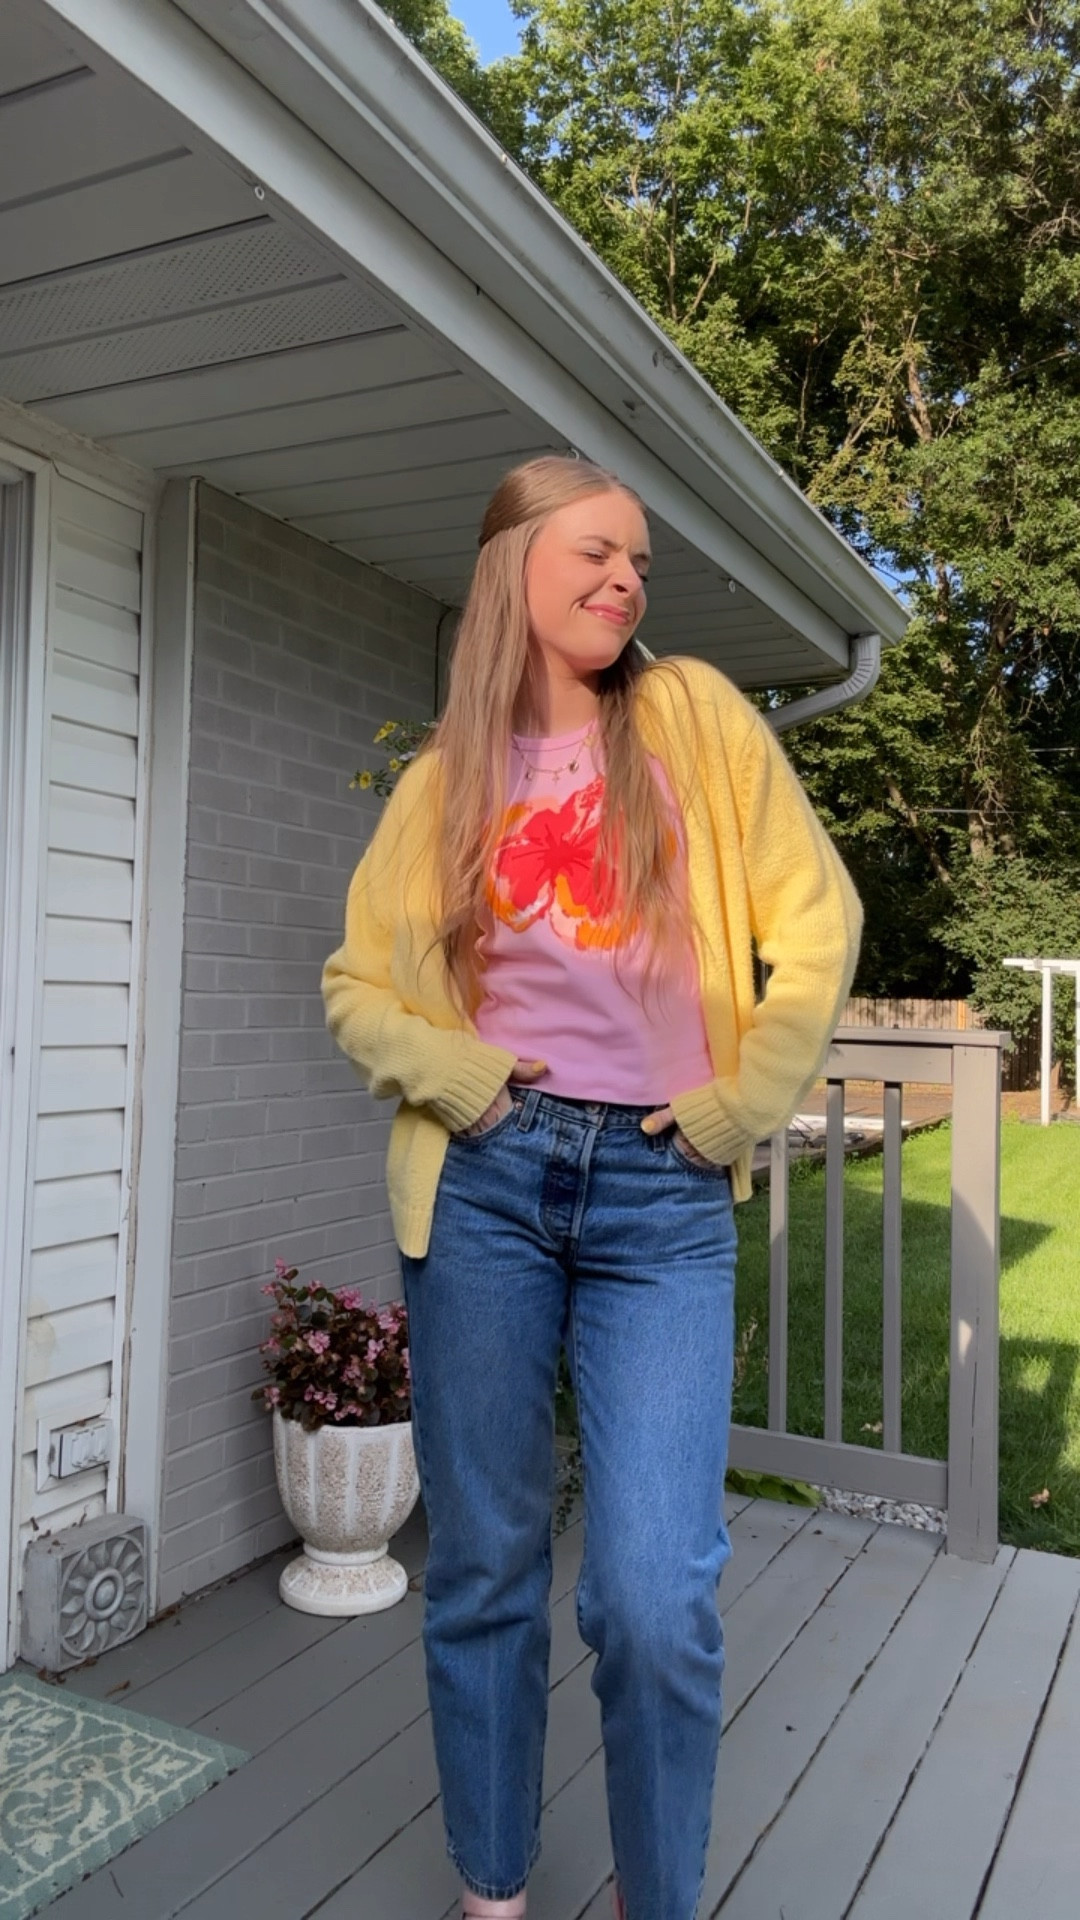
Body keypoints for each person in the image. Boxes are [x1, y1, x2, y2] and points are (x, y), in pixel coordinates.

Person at [322, 455, 862, 1920]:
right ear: (513, 568)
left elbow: (818, 918)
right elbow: (356, 986)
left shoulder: (691, 716)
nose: (628, 579)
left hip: (660, 1188)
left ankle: (658, 1898)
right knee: (486, 1565)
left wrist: (742, 1106)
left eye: (639, 561)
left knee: (654, 1595)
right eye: (597, 552)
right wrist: (455, 1075)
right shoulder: (444, 783)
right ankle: (494, 1888)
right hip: (487, 1181)